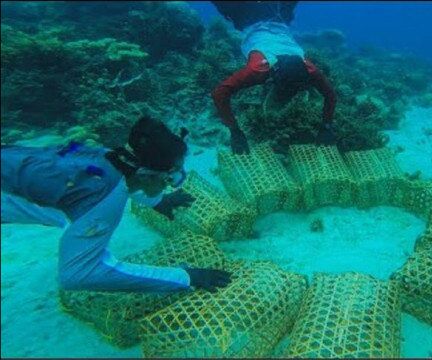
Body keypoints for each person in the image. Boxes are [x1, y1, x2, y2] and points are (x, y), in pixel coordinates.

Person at [1, 116, 232, 293]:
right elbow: (78, 274)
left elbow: (131, 179)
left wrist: (159, 201)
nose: (172, 184)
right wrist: (186, 277)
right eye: (170, 178)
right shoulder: (101, 201)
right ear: (147, 174)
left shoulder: (107, 156)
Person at [211, 1, 337, 154]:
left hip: (279, 17)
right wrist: (235, 131)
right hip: (248, 17)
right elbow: (219, 92)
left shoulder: (308, 69)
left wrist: (327, 126)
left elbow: (330, 95)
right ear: (273, 77)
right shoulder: (260, 68)